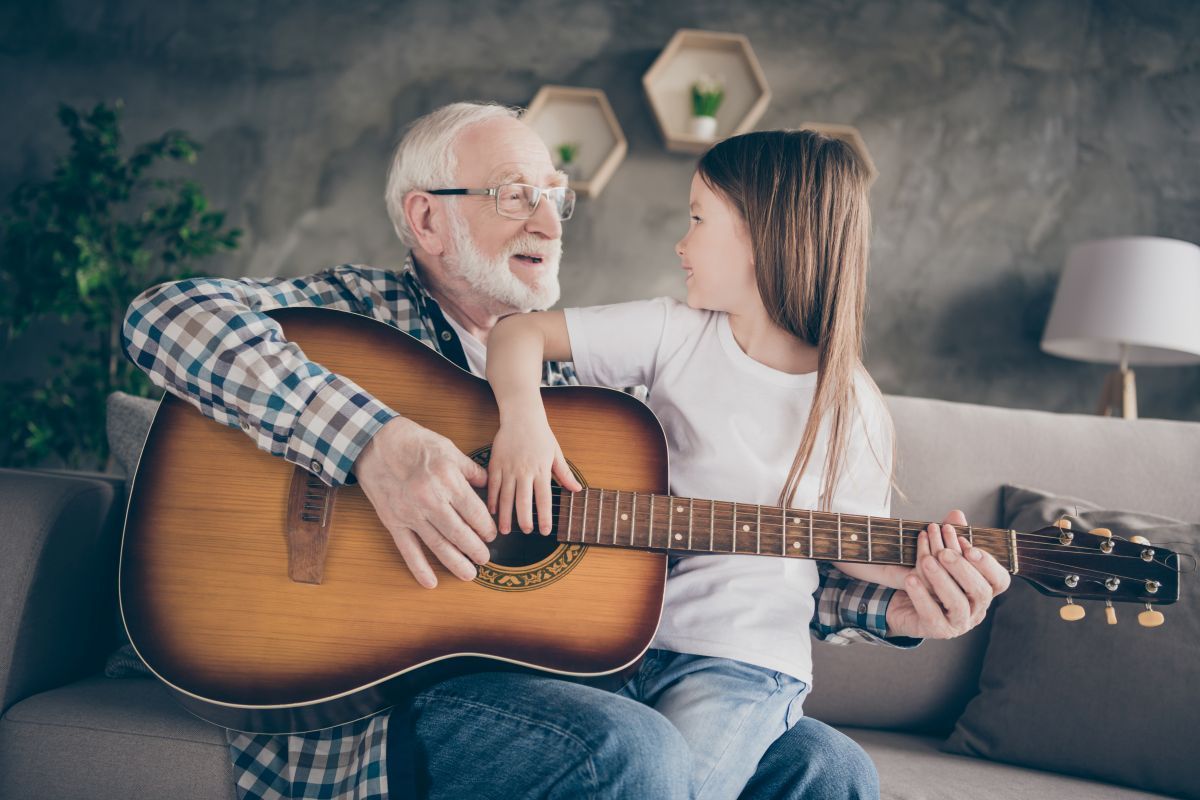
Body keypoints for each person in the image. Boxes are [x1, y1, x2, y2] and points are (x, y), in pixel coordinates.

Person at [122, 102, 1008, 799]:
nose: (550, 217)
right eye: (515, 193)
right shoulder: (357, 315)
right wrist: (374, 445)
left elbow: (728, 577)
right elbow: (163, 318)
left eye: (557, 192)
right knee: (633, 751)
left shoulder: (608, 395)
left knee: (832, 771)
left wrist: (896, 611)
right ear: (426, 220)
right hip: (389, 688)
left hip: (588, 679)